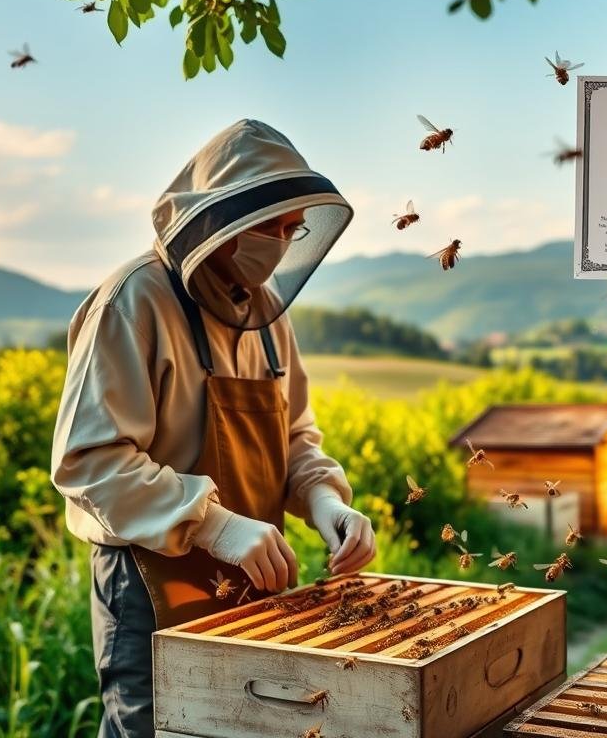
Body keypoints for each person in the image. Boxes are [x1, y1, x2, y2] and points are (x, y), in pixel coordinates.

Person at [50, 119, 376, 737]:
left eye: (293, 230)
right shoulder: (134, 300)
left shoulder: (267, 314)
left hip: (252, 579)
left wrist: (325, 501)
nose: (281, 244)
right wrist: (217, 526)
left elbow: (295, 436)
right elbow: (89, 462)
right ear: (221, 221)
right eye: (270, 227)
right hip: (149, 584)